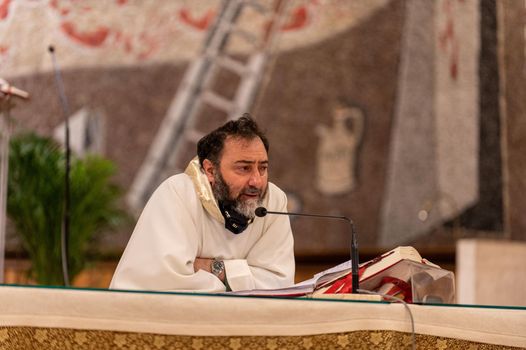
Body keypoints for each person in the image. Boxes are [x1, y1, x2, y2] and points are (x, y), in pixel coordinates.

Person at [110, 116, 295, 292]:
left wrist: (214, 268)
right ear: (210, 170)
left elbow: (279, 283)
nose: (256, 181)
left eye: (262, 168)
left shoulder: (273, 200)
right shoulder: (178, 194)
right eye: (244, 168)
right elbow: (165, 285)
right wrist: (243, 281)